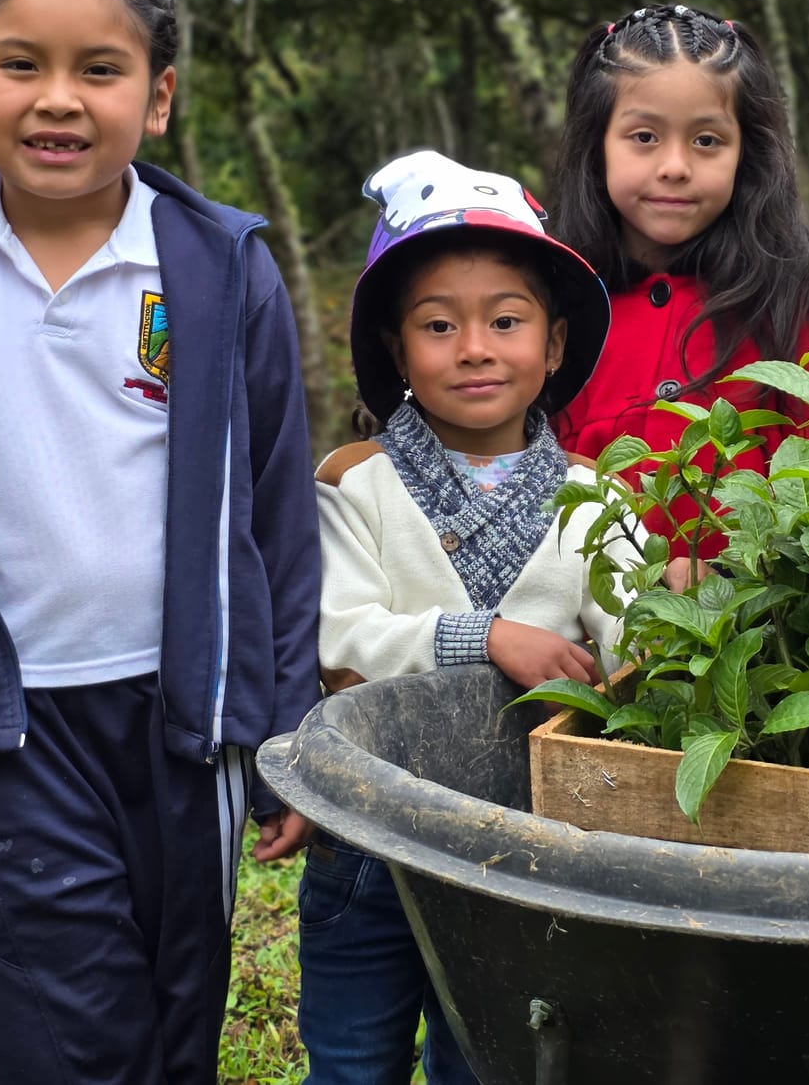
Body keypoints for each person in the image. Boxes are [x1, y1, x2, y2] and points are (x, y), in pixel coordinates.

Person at [0, 0, 321, 1085]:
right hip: (6, 732)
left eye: (99, 68)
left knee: (176, 1011)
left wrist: (288, 730)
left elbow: (279, 518)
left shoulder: (219, 268)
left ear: (158, 100)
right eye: (18, 65)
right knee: (66, 1035)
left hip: (188, 724)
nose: (57, 98)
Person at [303, 148, 639, 1085]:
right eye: (439, 325)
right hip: (370, 831)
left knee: (487, 1059)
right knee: (351, 1058)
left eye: (506, 321)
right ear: (398, 350)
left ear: (555, 344)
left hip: (523, 837)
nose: (476, 348)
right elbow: (342, 634)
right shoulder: (354, 482)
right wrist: (487, 636)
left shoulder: (593, 496)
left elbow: (637, 639)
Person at [548, 3, 809, 550]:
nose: (675, 166)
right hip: (579, 623)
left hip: (751, 621)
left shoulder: (779, 296)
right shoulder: (554, 296)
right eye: (643, 137)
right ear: (597, 147)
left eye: (707, 141)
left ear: (746, 154)